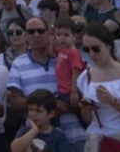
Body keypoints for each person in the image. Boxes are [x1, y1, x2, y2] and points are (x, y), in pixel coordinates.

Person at [8, 17, 86, 152]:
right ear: (26, 35)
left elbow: (83, 93)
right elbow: (14, 102)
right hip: (37, 135)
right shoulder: (18, 63)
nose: (36, 35)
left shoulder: (66, 57)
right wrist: (49, 105)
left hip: (72, 131)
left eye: (40, 30)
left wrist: (68, 104)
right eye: (31, 32)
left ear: (50, 33)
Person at [76, 24, 120, 152]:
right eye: (86, 50)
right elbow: (88, 119)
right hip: (96, 141)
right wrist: (86, 108)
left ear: (109, 45)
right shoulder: (86, 76)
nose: (92, 54)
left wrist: (114, 102)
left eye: (96, 48)